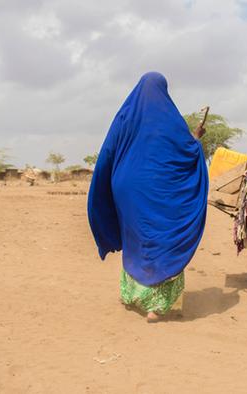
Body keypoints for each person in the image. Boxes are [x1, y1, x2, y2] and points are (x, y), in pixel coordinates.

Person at [87, 72, 208, 322]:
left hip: (127, 189)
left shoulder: (125, 115)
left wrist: (106, 186)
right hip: (161, 190)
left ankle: (130, 295)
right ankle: (157, 306)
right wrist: (196, 139)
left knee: (136, 238)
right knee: (163, 238)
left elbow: (108, 151)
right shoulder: (170, 118)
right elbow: (185, 152)